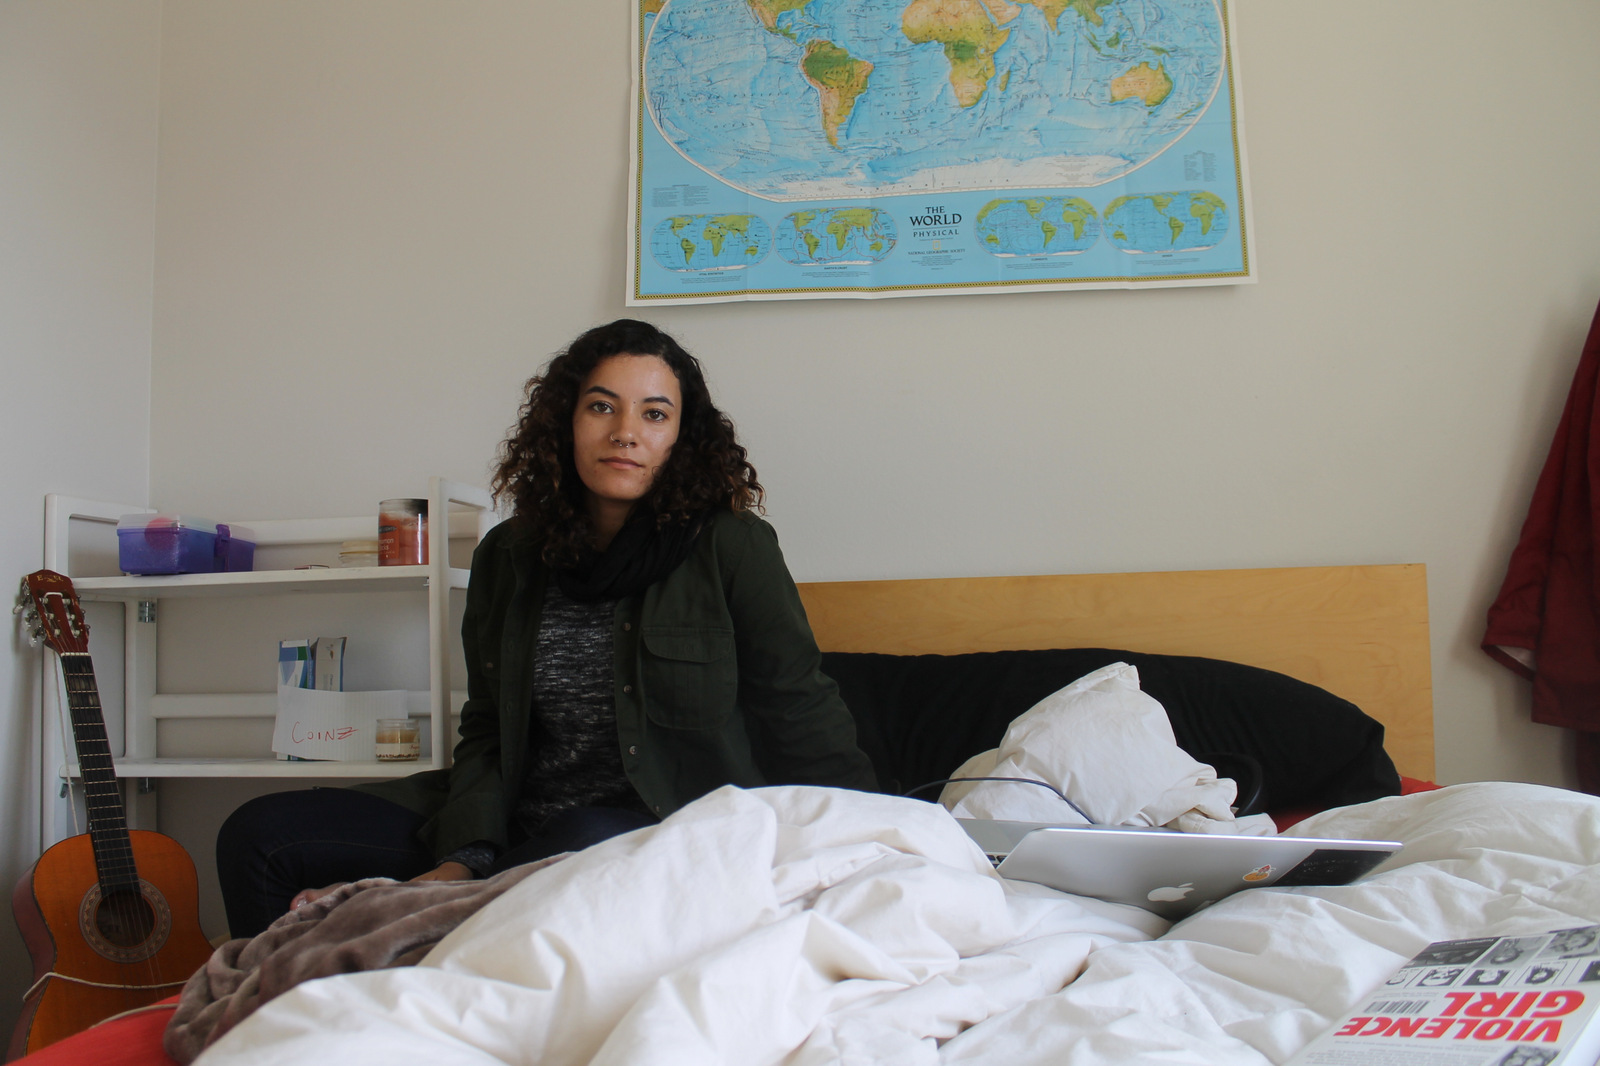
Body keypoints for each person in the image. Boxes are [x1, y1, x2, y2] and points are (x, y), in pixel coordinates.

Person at [216, 319, 877, 938]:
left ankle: (420, 935)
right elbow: (487, 728)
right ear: (565, 422)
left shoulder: (732, 546)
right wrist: (463, 857)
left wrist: (874, 835)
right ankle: (285, 1006)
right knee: (258, 835)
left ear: (682, 437)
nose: (625, 432)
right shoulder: (508, 556)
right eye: (601, 407)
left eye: (654, 414)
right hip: (513, 817)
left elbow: (797, 704)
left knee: (573, 845)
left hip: (654, 826)